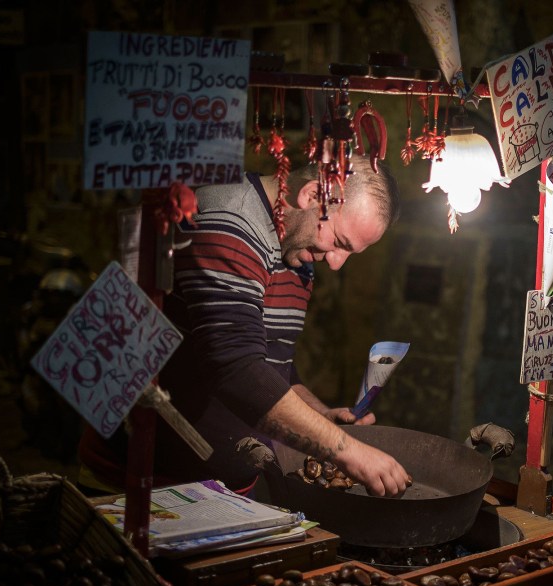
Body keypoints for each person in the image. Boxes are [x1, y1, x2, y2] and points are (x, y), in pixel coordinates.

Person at [78, 154, 412, 498]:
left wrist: (320, 415)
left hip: (214, 491)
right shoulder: (228, 221)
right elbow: (237, 369)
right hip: (143, 486)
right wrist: (349, 452)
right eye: (340, 243)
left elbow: (270, 361)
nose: (337, 262)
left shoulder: (293, 245)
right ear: (312, 196)